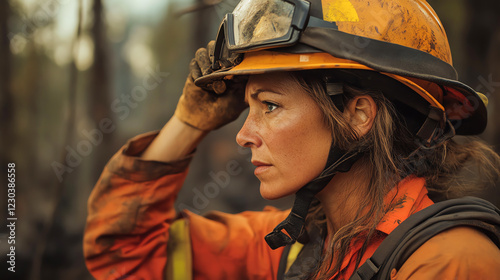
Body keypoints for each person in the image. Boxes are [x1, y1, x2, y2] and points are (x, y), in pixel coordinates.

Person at [83, 0, 500, 279]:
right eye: (249, 108)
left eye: (270, 106)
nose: (244, 135)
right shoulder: (293, 248)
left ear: (358, 116)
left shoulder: (450, 261)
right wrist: (187, 122)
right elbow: (125, 248)